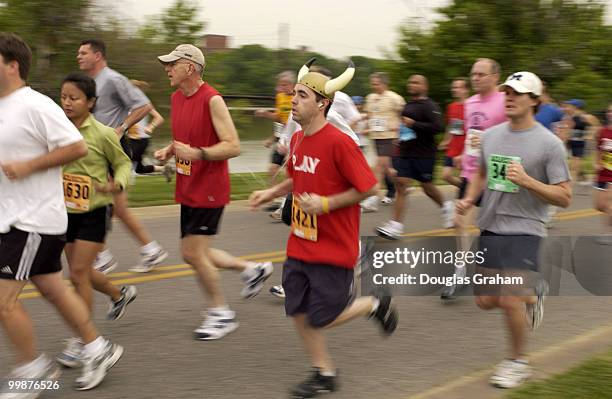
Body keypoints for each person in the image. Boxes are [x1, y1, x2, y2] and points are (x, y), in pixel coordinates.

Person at [249, 59, 398, 398]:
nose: (294, 100)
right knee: (299, 310)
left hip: (334, 246)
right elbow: (295, 176)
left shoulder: (340, 142)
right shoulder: (299, 138)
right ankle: (324, 372)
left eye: (301, 95)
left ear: (322, 103)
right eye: (293, 94)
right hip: (301, 242)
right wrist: (269, 193)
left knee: (324, 316)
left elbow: (370, 188)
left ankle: (373, 304)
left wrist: (326, 204)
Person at [0, 32, 123, 393]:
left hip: (32, 220)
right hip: (13, 218)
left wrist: (29, 166)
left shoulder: (35, 104)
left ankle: (33, 371)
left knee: (3, 303)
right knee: (54, 289)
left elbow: (76, 147)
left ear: (12, 65)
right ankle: (97, 348)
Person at [456, 71, 571, 388]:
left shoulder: (550, 145)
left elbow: (564, 196)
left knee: (508, 299)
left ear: (534, 101)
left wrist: (528, 181)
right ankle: (533, 294)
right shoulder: (491, 136)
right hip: (492, 223)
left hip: (526, 227)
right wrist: (468, 199)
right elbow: (480, 172)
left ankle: (518, 362)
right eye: (507, 91)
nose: (509, 97)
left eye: (517, 93)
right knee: (484, 300)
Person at [154, 44, 273, 340]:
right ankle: (252, 269)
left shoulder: (213, 100)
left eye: (172, 64)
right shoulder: (176, 98)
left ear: (190, 68)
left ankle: (221, 314)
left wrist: (197, 155)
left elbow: (233, 145)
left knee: (193, 253)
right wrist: (170, 150)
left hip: (209, 188)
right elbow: (186, 137)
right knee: (197, 252)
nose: (167, 68)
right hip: (188, 184)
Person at [56, 72, 138, 369]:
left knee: (78, 272)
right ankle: (119, 293)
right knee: (83, 272)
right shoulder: (55, 129)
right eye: (63, 96)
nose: (67, 102)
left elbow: (123, 164)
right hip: (64, 212)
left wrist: (115, 185)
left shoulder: (103, 134)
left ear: (90, 102)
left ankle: (83, 341)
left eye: (74, 98)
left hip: (95, 211)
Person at [77, 39, 168, 273]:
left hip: (112, 150)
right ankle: (150, 250)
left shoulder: (113, 79)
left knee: (91, 202)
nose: (79, 56)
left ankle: (103, 256)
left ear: (97, 56)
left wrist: (121, 128)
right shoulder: (90, 82)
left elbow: (144, 106)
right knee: (113, 206)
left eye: (83, 53)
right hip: (94, 150)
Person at [441, 58, 507, 300]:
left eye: (481, 74)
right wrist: (460, 154)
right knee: (460, 221)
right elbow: (471, 134)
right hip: (472, 172)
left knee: (493, 228)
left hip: (498, 172)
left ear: (495, 77)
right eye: (473, 74)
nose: (476, 78)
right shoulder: (469, 103)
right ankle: (460, 273)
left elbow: (514, 134)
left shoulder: (505, 101)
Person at [376, 74, 454, 239]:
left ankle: (447, 206)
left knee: (427, 188)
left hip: (424, 154)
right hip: (406, 152)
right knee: (401, 185)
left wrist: (415, 124)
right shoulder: (408, 105)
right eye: (410, 81)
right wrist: (399, 137)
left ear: (424, 87)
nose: (411, 84)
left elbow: (438, 127)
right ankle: (395, 226)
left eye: (416, 82)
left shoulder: (429, 105)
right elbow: (406, 127)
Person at [362, 72, 405, 210]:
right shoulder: (370, 97)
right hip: (375, 137)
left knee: (378, 168)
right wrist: (368, 126)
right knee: (388, 170)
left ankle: (373, 199)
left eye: (376, 84)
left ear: (384, 84)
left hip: (389, 137)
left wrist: (398, 126)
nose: (373, 86)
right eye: (372, 84)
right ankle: (403, 186)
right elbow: (370, 115)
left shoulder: (394, 98)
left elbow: (404, 115)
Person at [255, 70, 295, 208]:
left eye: (284, 85)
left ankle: (288, 201)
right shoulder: (280, 97)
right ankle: (276, 200)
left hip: (295, 139)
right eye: (279, 85)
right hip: (283, 137)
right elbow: (279, 119)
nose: (280, 88)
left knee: (289, 172)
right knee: (272, 169)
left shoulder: (299, 97)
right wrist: (266, 114)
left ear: (292, 84)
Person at [127, 79, 173, 184]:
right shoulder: (127, 104)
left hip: (141, 140)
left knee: (124, 160)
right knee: (139, 168)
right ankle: (164, 169)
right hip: (131, 140)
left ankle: (124, 184)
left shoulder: (144, 104)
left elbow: (159, 118)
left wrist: (150, 127)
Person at [439, 77, 470, 188]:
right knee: (445, 175)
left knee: (466, 177)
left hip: (466, 147)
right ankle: (466, 190)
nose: (454, 89)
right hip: (453, 147)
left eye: (457, 87)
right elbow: (452, 126)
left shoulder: (472, 105)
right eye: (453, 87)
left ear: (466, 90)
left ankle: (468, 194)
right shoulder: (451, 107)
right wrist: (445, 140)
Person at [594, 103, 612, 242]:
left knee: (608, 204)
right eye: (609, 111)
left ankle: (608, 234)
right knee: (599, 205)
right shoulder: (603, 131)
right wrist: (597, 162)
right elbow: (599, 149)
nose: (610, 113)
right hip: (602, 173)